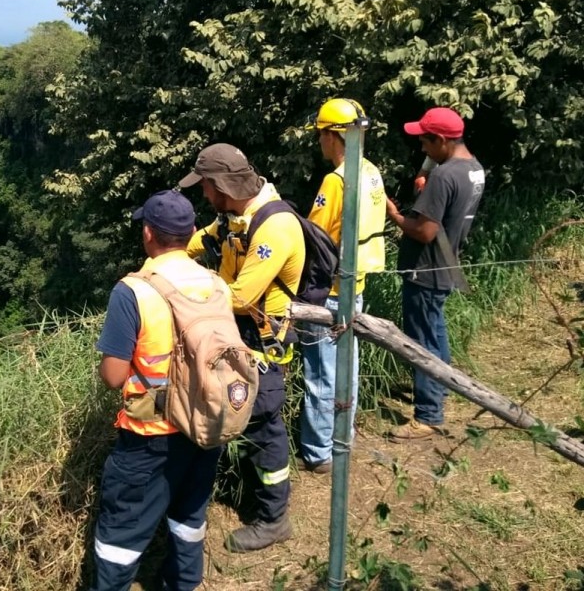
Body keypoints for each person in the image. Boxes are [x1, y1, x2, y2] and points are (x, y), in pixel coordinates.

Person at [91, 190, 228, 590]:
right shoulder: (216, 283)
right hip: (204, 425)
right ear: (189, 235)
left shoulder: (133, 291)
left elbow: (114, 376)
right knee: (188, 520)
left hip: (151, 435)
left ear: (148, 233)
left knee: (120, 535)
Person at [178, 143, 305, 553]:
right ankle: (256, 497)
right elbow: (202, 240)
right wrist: (171, 256)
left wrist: (184, 288)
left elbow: (240, 297)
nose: (202, 194)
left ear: (221, 185)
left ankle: (273, 519)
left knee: (264, 425)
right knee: (246, 419)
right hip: (241, 339)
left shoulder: (274, 227)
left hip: (263, 345)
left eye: (204, 186)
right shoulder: (237, 217)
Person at [298, 98, 387, 473]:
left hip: (330, 293)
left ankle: (319, 452)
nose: (319, 141)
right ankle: (342, 437)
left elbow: (316, 236)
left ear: (334, 135)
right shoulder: (370, 172)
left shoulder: (335, 181)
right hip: (357, 286)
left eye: (321, 134)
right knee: (346, 368)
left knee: (321, 373)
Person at [386, 107, 485, 441]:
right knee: (436, 330)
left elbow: (424, 231)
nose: (422, 149)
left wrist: (395, 215)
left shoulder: (444, 176)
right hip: (447, 263)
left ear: (441, 140)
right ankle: (440, 388)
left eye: (426, 142)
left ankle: (428, 415)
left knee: (422, 341)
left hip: (424, 269)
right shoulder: (473, 169)